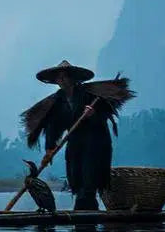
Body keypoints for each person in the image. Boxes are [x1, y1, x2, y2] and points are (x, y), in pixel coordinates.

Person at [22, 60, 134, 211]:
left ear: (73, 78)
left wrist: (93, 114)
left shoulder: (90, 95)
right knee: (76, 182)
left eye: (64, 76)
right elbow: (53, 126)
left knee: (89, 184)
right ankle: (82, 217)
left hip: (95, 144)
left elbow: (104, 114)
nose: (61, 80)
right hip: (75, 146)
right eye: (58, 77)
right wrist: (49, 149)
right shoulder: (57, 100)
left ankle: (85, 217)